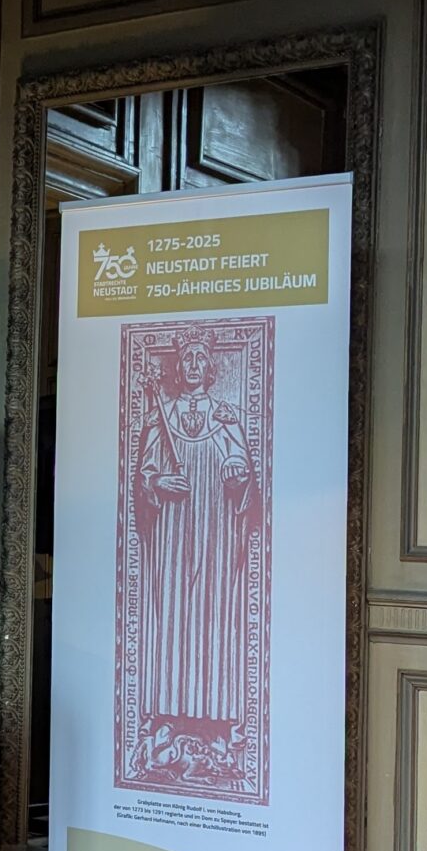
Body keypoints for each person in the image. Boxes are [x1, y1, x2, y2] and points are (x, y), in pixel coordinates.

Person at [132, 326, 257, 772]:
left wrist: (236, 473)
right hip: (173, 533)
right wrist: (158, 482)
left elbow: (242, 474)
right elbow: (144, 476)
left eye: (201, 358)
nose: (193, 365)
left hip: (215, 533)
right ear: (178, 367)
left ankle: (216, 721)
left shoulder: (225, 417)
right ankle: (167, 715)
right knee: (172, 617)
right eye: (187, 358)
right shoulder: (160, 416)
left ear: (210, 367)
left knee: (213, 619)